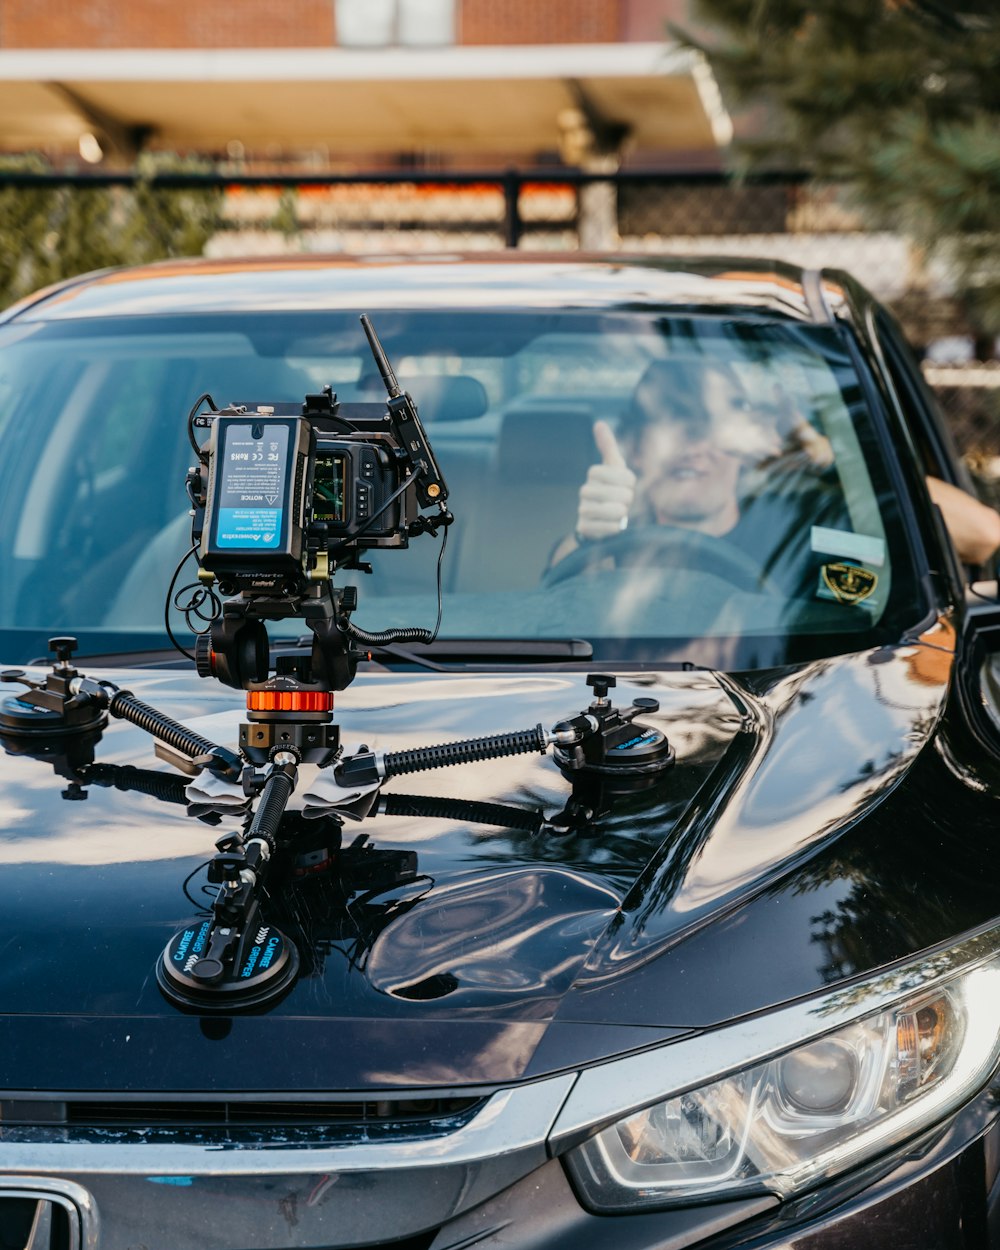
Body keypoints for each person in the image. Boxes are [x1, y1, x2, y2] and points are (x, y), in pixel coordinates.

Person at [550, 358, 1000, 581]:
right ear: (634, 448)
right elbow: (557, 612)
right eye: (673, 423)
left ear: (744, 445)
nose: (694, 446)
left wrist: (832, 458)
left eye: (712, 427)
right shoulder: (606, 542)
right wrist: (588, 539)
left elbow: (982, 537)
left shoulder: (808, 531)